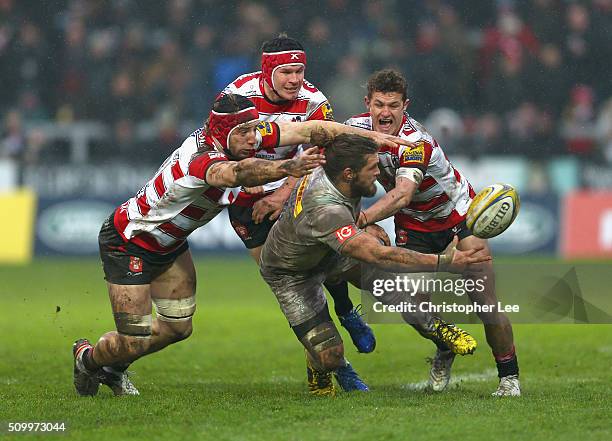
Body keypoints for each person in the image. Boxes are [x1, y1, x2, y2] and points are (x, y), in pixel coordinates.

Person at [71, 93, 405, 397]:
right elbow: (235, 174)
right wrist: (286, 167)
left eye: (254, 130)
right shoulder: (200, 159)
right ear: (223, 130)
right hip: (129, 241)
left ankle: (114, 368)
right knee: (134, 337)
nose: (252, 139)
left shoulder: (242, 136)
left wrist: (371, 137)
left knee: (177, 328)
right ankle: (87, 359)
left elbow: (310, 131)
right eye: (243, 133)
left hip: (170, 246)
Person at [259, 131, 489, 397]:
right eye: (372, 168)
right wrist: (444, 261)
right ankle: (331, 365)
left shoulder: (334, 168)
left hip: (326, 248)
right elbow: (379, 256)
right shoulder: (326, 210)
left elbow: (332, 136)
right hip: (291, 273)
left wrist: (365, 221)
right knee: (329, 355)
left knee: (394, 290)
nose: (378, 173)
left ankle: (435, 327)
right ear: (348, 174)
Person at [346, 69, 520, 396]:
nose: (386, 113)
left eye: (394, 106)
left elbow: (402, 195)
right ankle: (445, 345)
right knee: (413, 306)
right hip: (413, 225)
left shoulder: (416, 142)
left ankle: (508, 377)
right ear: (367, 103)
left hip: (459, 216)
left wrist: (363, 218)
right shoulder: (353, 129)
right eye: (379, 104)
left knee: (485, 303)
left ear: (405, 106)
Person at [220, 35, 375, 392]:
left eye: (299, 71)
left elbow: (320, 156)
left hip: (296, 189)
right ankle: (333, 360)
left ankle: (346, 311)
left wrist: (281, 194)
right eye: (286, 71)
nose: (294, 79)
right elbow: (220, 141)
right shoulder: (238, 94)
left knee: (320, 258)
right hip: (247, 198)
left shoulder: (315, 102)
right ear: (267, 70)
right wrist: (250, 176)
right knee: (286, 276)